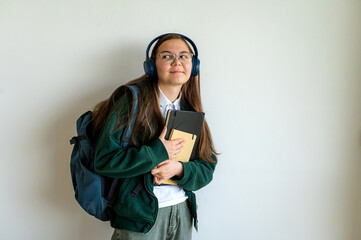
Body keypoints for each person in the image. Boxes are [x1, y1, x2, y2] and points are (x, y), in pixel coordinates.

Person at [91, 33, 218, 240]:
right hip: (140, 220)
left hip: (181, 214)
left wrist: (180, 169)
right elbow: (105, 160)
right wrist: (157, 152)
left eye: (184, 56)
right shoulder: (131, 101)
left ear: (193, 65)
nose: (177, 62)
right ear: (151, 66)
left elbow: (208, 166)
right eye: (167, 56)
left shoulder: (190, 109)